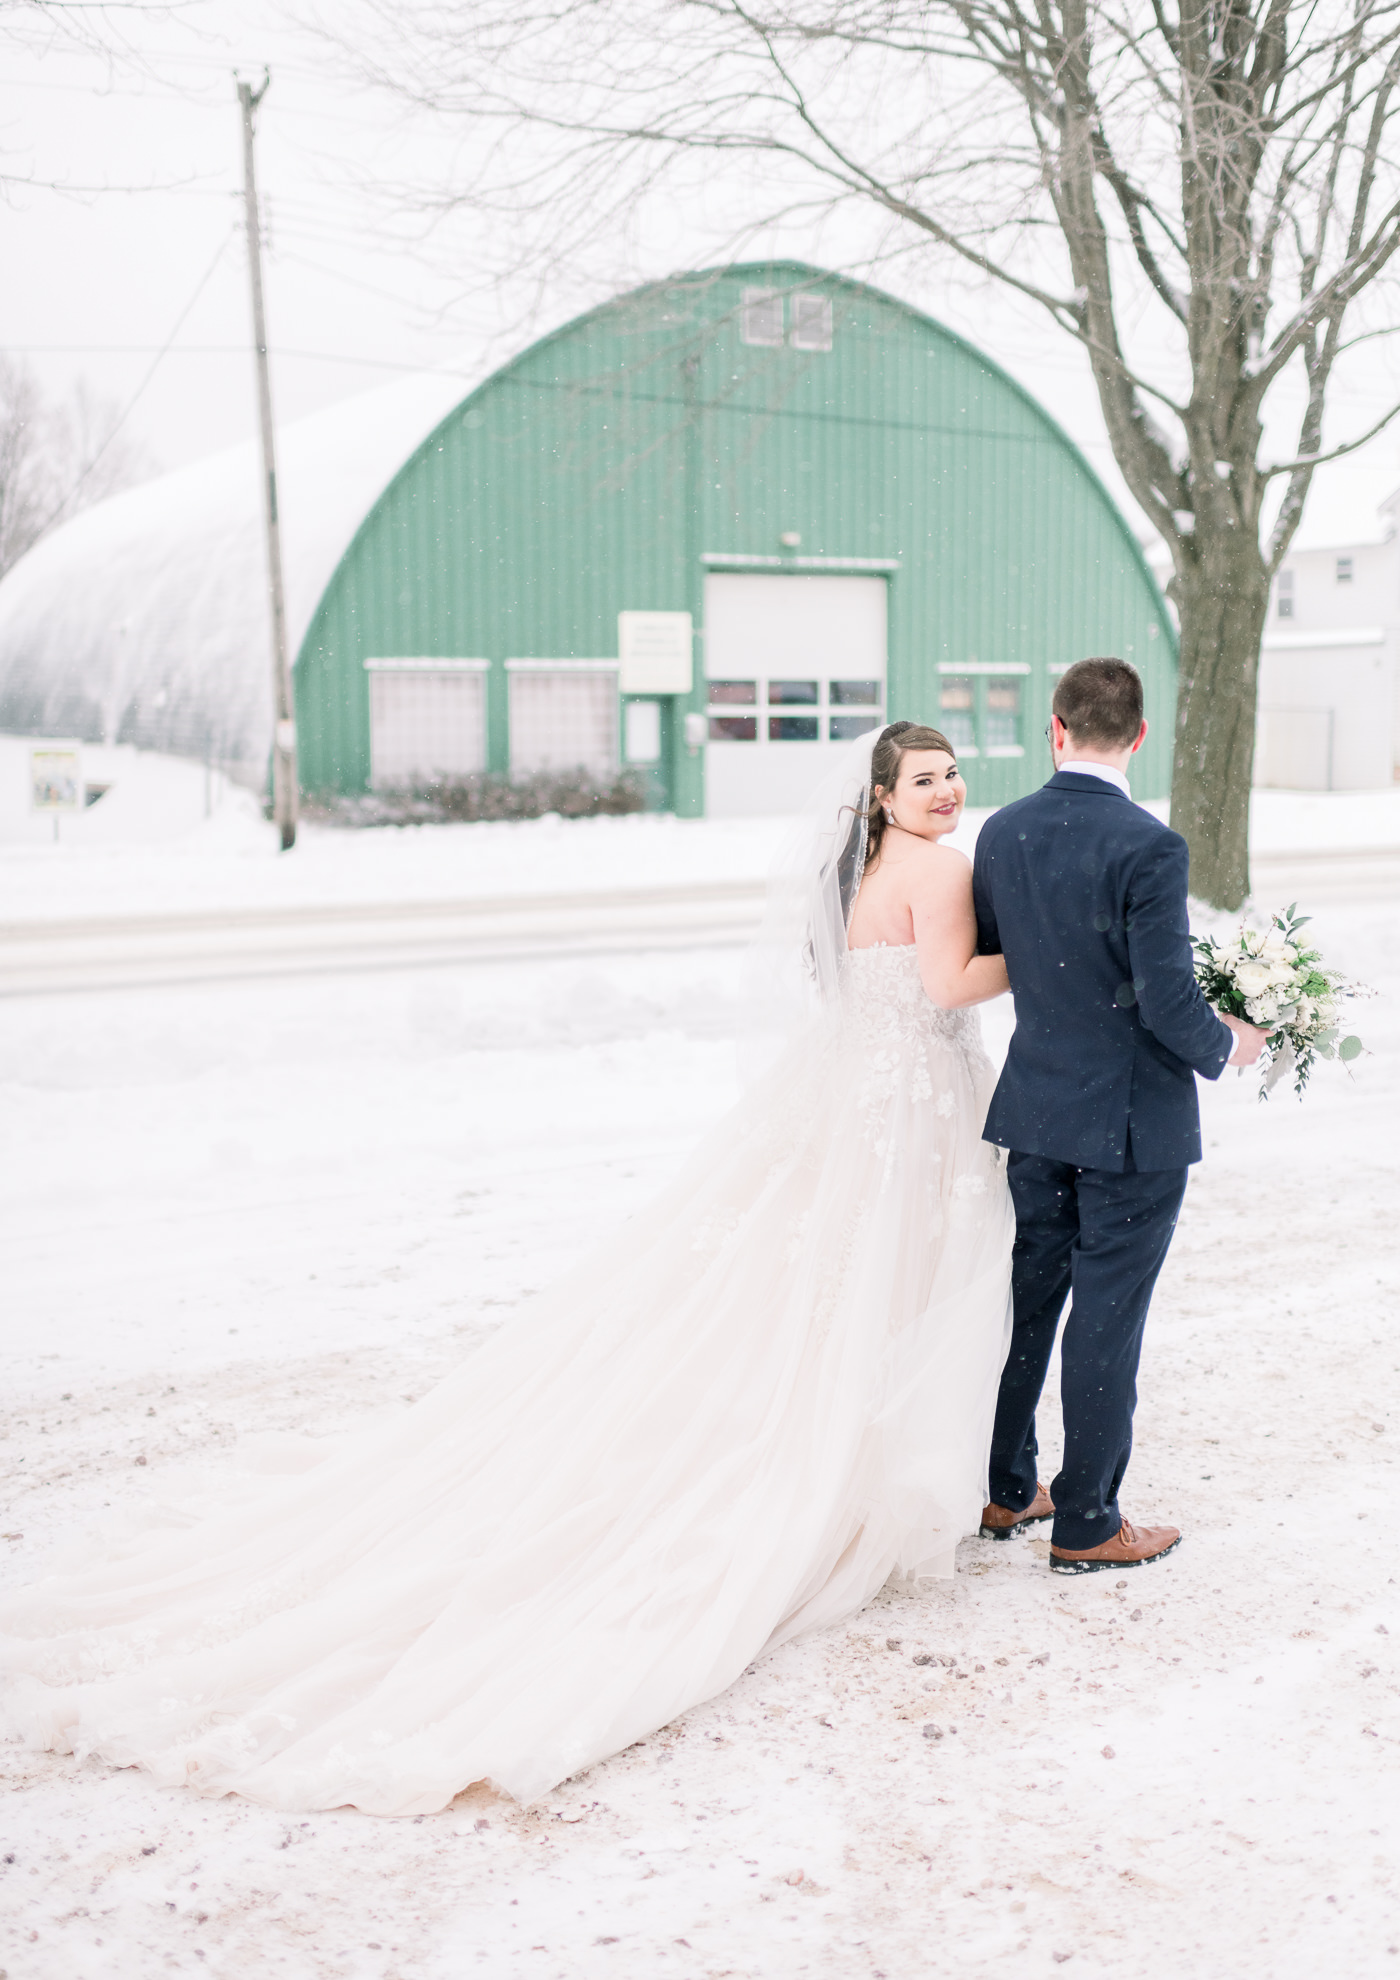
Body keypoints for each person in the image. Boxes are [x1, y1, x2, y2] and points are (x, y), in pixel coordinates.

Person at [0, 723, 1015, 1817]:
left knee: (829, 1276)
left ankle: (854, 1439)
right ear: (878, 796)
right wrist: (1056, 952)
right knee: (890, 1276)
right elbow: (952, 988)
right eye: (924, 779)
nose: (948, 792)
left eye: (953, 775)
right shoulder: (936, 869)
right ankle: (861, 1461)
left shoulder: (856, 871)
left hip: (853, 1090)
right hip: (907, 1100)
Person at [972, 658, 1265, 1574]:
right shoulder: (1150, 846)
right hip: (1130, 1126)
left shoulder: (1004, 831)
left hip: (1033, 1106)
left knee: (1025, 1304)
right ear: (1139, 736)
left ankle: (1006, 1487)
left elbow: (1006, 956)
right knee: (1106, 1317)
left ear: (1054, 729)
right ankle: (1089, 1522)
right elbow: (1168, 1004)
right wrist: (1231, 1044)